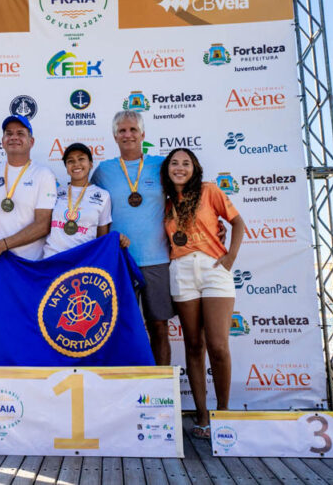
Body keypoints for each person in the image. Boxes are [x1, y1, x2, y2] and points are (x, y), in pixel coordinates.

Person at [161, 148, 245, 439]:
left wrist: (230, 257)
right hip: (181, 270)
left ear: (195, 168)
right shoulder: (166, 201)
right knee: (194, 346)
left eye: (186, 163)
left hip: (212, 268)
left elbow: (237, 222)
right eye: (174, 163)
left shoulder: (209, 190)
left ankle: (223, 413)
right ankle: (202, 415)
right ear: (167, 169)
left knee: (219, 346)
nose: (180, 168)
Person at [91, 111, 173, 365]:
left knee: (158, 326)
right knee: (118, 327)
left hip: (156, 259)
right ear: (115, 136)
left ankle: (161, 389)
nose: (128, 135)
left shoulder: (161, 166)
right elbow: (87, 207)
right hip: (120, 262)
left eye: (133, 130)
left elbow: (184, 200)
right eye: (122, 131)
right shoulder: (104, 171)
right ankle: (124, 390)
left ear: (143, 135)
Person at [0, 114, 57, 260]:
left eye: (20, 133)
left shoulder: (43, 175)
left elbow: (43, 225)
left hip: (27, 263)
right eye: (9, 133)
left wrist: (2, 245)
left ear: (31, 142)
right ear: (2, 141)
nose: (14, 137)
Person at [43, 143, 113, 258]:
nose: (76, 164)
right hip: (53, 259)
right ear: (66, 168)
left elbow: (101, 238)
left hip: (82, 261)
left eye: (81, 159)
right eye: (70, 161)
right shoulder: (55, 192)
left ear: (90, 164)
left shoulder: (103, 196)